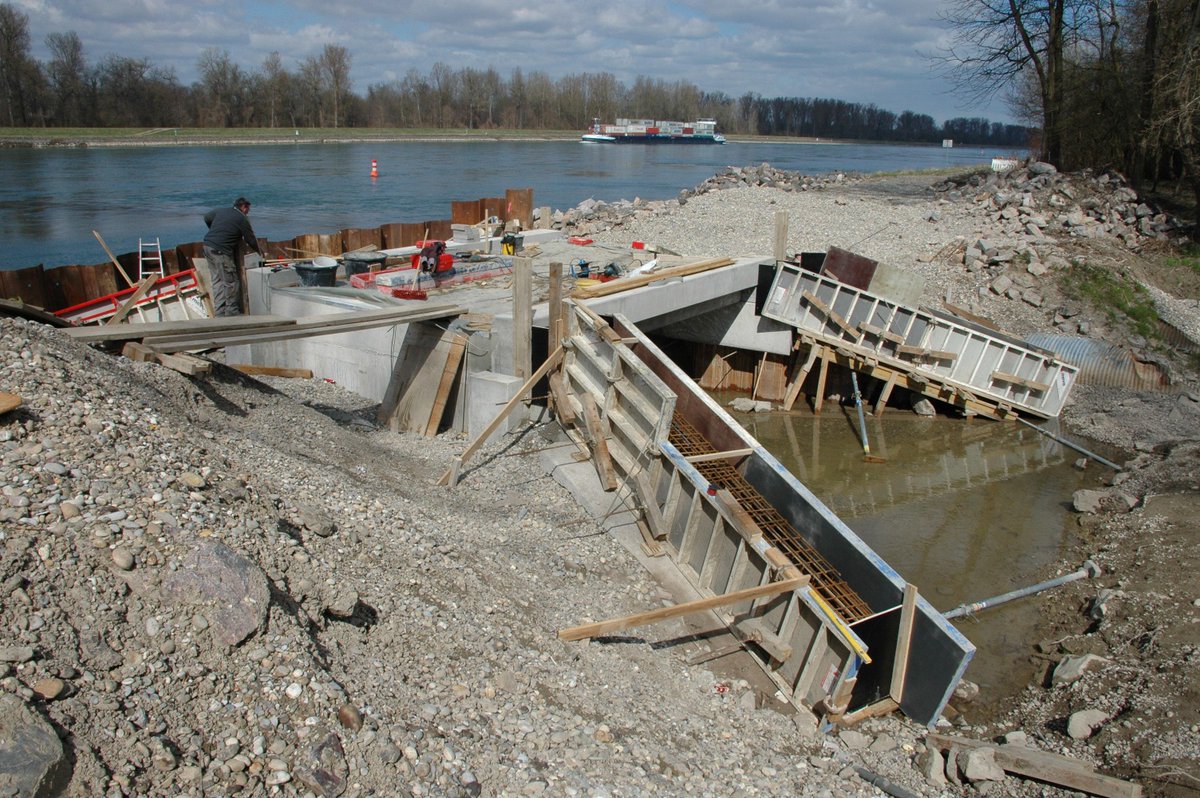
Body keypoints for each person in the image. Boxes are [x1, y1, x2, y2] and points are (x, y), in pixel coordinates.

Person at [203, 197, 264, 316]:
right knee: (231, 281)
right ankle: (232, 311)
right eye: (248, 209)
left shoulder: (221, 211)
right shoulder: (242, 218)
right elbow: (250, 239)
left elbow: (206, 217)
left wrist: (215, 230)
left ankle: (219, 312)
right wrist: (260, 252)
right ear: (244, 207)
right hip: (221, 251)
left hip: (207, 246)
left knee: (218, 281)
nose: (248, 212)